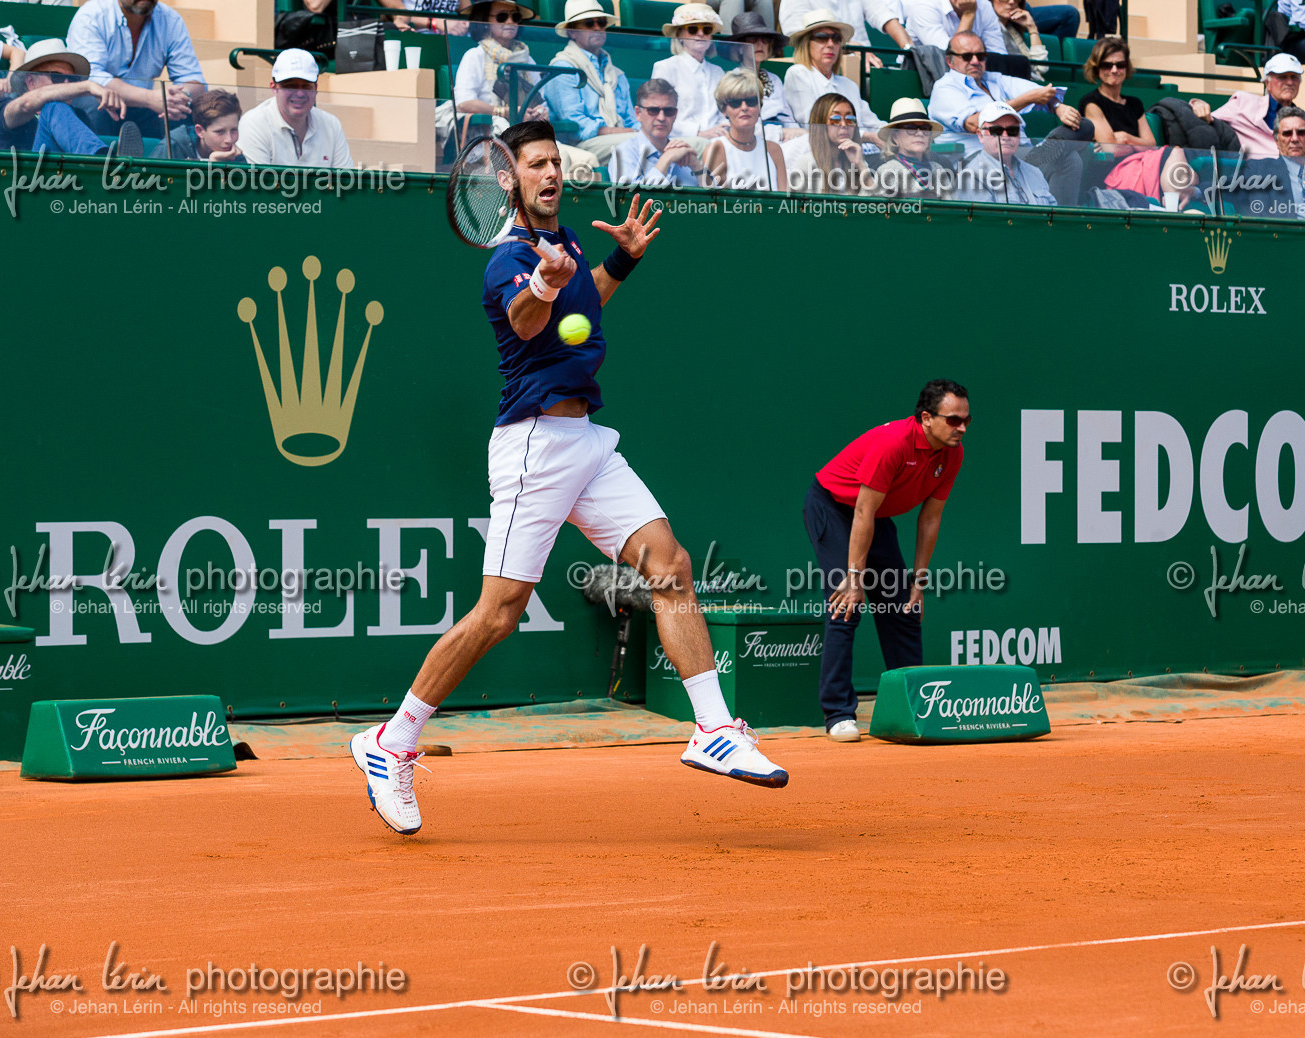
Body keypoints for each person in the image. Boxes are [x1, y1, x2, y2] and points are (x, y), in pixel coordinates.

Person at [349, 120, 789, 835]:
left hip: (585, 440)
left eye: (556, 161)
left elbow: (585, 306)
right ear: (508, 179)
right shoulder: (506, 261)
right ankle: (389, 739)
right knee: (500, 613)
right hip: (532, 449)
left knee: (669, 565)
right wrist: (546, 287)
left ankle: (710, 727)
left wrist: (621, 263)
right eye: (535, 164)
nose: (551, 173)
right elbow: (527, 322)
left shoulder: (571, 243)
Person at [805, 380, 969, 742]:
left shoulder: (952, 454)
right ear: (926, 418)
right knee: (845, 603)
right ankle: (838, 713)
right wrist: (853, 577)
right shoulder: (893, 443)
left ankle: (914, 704)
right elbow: (862, 511)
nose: (961, 428)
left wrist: (918, 582)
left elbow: (930, 519)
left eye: (966, 421)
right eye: (953, 420)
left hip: (874, 516)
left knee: (904, 606)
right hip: (835, 509)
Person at [930, 32, 1092, 203]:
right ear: (950, 61)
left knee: (1084, 127)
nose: (975, 61)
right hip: (980, 158)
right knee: (1069, 158)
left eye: (981, 56)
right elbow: (973, 123)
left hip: (1019, 153)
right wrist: (1027, 99)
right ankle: (1058, 222)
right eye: (967, 56)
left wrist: (1057, 106)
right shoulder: (944, 87)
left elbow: (1042, 92)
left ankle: (1044, 157)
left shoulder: (994, 80)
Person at [66, 0, 205, 139]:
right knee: (95, 103)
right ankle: (94, 160)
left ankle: (167, 159)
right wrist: (150, 98)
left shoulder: (171, 20)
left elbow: (193, 78)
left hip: (145, 108)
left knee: (185, 110)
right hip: (99, 102)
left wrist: (181, 97)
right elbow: (90, 75)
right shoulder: (92, 15)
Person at [0, 38, 129, 156]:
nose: (66, 84)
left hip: (67, 186)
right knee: (53, 106)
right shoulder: (1, 111)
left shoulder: (79, 117)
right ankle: (107, 165)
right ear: (31, 82)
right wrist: (88, 86)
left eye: (72, 80)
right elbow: (25, 104)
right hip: (19, 187)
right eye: (57, 77)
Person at [1189, 53, 1305, 168]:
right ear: (1267, 83)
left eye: (1294, 77)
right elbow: (1209, 117)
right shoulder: (1244, 103)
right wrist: (1197, 103)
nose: (1289, 82)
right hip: (1256, 179)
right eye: (1282, 77)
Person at [544, 0, 639, 166]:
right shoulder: (563, 68)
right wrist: (621, 132)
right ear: (571, 32)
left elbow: (631, 120)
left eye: (601, 23)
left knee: (661, 143)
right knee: (641, 143)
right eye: (589, 23)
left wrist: (644, 132)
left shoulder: (616, 74)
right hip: (581, 145)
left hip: (620, 138)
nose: (597, 28)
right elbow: (575, 125)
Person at [236, 47, 353, 167]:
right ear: (274, 88)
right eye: (290, 86)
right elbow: (258, 183)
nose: (300, 93)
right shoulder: (254, 123)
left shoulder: (331, 124)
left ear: (315, 89)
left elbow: (347, 182)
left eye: (306, 86)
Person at [784, 8, 882, 138]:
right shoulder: (798, 74)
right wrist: (869, 137)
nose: (830, 44)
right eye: (822, 37)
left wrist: (895, 133)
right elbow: (815, 126)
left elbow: (872, 123)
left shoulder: (848, 85)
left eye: (836, 38)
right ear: (806, 43)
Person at [453, 0, 546, 131]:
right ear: (486, 21)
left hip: (527, 130)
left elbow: (542, 98)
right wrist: (505, 112)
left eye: (515, 17)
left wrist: (541, 111)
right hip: (488, 134)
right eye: (502, 17)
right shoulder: (475, 55)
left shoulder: (527, 58)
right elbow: (463, 103)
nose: (510, 22)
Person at [652, 4, 729, 142]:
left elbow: (724, 113)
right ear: (679, 35)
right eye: (693, 29)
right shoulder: (665, 67)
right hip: (680, 141)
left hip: (718, 140)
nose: (700, 34)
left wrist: (723, 128)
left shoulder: (718, 72)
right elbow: (659, 114)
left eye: (706, 29)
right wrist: (699, 134)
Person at [702, 68, 788, 188]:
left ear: (760, 106)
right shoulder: (716, 149)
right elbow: (721, 203)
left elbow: (785, 201)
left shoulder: (774, 150)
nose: (744, 107)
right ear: (724, 110)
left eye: (751, 101)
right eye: (735, 103)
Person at [954, 100, 1053, 202]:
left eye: (1012, 130)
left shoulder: (1034, 172)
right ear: (980, 135)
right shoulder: (972, 178)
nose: (1005, 136)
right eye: (996, 130)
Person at [609, 78, 701, 185]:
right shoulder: (623, 153)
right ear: (638, 113)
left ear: (675, 115)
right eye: (653, 110)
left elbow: (720, 200)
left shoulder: (683, 154)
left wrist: (698, 167)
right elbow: (630, 198)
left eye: (669, 111)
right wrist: (665, 160)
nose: (661, 118)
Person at [783, 91, 876, 192]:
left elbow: (877, 205)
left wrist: (861, 165)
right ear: (821, 123)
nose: (844, 124)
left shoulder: (857, 161)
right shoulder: (807, 163)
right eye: (836, 119)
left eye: (850, 119)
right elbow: (795, 206)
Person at [1078, 36, 1154, 150]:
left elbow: (1153, 146)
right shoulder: (1091, 103)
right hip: (1114, 166)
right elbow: (1112, 149)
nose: (1114, 70)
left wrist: (1126, 138)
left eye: (1120, 65)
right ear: (1097, 68)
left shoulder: (1135, 103)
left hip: (1143, 162)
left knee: (1177, 153)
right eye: (1106, 65)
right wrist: (1139, 144)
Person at [728, 12, 798, 131]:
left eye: (765, 40)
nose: (760, 44)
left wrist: (796, 132)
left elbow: (788, 118)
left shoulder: (774, 79)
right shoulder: (733, 80)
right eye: (753, 39)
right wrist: (780, 133)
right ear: (739, 47)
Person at [874, 97, 955, 197]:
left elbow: (953, 209)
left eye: (925, 128)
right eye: (910, 128)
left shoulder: (938, 169)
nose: (920, 133)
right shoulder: (888, 171)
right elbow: (882, 210)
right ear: (895, 137)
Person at [780, 0, 914, 58]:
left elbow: (883, 14)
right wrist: (847, 47)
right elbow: (795, 34)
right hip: (816, 66)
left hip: (865, 62)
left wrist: (909, 48)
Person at [164, 88, 242, 161]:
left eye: (234, 130)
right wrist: (213, 164)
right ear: (200, 131)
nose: (229, 140)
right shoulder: (172, 147)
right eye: (220, 132)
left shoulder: (234, 153)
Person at [990, 0, 1049, 82]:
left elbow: (1042, 67)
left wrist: (1032, 27)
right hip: (1013, 85)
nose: (1011, 2)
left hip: (1033, 84)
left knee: (1063, 92)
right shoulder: (989, 29)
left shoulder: (1012, 29)